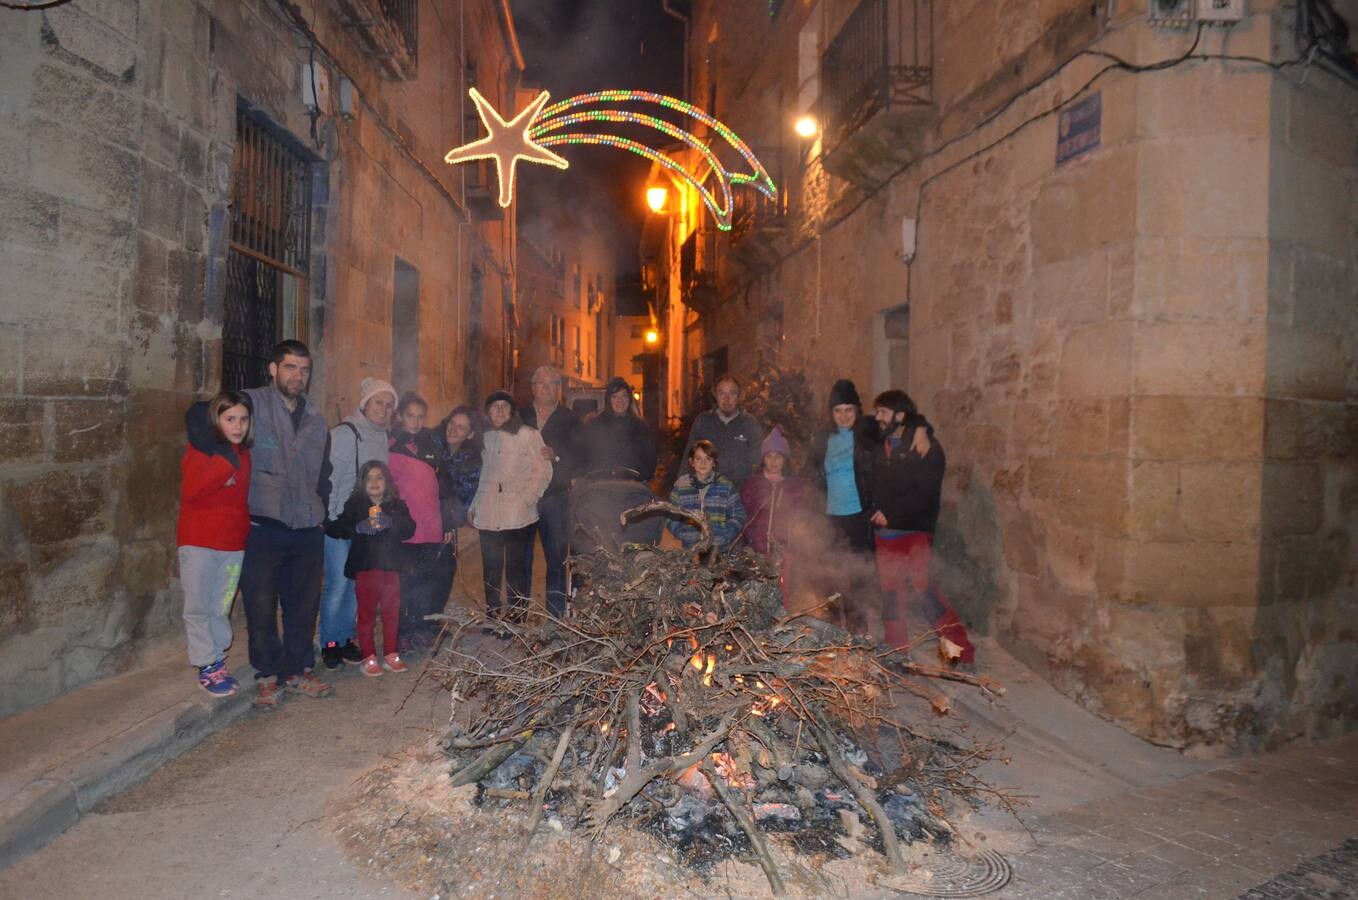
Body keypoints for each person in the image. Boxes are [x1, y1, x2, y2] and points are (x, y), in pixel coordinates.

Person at [240, 340, 333, 709]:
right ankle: (267, 675)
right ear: (273, 369)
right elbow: (207, 420)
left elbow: (324, 470)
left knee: (303, 605)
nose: (298, 376)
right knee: (260, 605)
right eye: (290, 367)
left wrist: (322, 508)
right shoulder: (250, 404)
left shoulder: (315, 416)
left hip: (307, 526)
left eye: (304, 369)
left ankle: (298, 670)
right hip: (263, 525)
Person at [808, 379, 928, 633]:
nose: (843, 416)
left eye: (849, 410)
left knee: (857, 574)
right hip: (829, 515)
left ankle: (857, 626)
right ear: (831, 413)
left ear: (857, 411)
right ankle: (834, 623)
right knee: (830, 571)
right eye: (838, 410)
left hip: (859, 514)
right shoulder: (823, 438)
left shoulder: (868, 431)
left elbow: (904, 419)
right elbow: (812, 472)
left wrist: (920, 428)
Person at [869, 390, 974, 662]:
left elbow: (925, 492)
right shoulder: (882, 444)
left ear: (900, 415)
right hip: (885, 535)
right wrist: (876, 511)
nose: (877, 417)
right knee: (891, 596)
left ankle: (961, 652)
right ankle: (896, 651)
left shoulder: (926, 445)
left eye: (883, 411)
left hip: (914, 532)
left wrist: (890, 514)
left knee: (926, 592)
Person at [176, 391, 252, 697]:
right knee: (198, 605)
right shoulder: (201, 451)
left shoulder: (243, 454)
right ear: (216, 421)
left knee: (220, 604)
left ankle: (218, 657)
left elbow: (240, 498)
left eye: (243, 419)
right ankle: (206, 664)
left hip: (232, 543)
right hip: (199, 541)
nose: (238, 426)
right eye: (230, 419)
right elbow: (192, 490)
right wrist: (225, 464)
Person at [319, 377, 396, 670]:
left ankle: (345, 638)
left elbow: (381, 484)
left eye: (389, 405)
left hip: (365, 526)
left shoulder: (381, 436)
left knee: (356, 584)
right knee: (338, 584)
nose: (384, 409)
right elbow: (331, 477)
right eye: (379, 402)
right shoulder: (345, 433)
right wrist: (331, 518)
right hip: (340, 521)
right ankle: (328, 641)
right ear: (365, 403)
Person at [469, 390, 552, 631]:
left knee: (516, 568)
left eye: (505, 406)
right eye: (495, 407)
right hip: (488, 510)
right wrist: (474, 505)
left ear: (512, 411)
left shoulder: (527, 434)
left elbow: (543, 470)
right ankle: (493, 615)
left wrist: (527, 498)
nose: (500, 411)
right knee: (491, 567)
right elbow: (478, 475)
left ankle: (516, 619)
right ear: (487, 412)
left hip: (517, 512)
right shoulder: (483, 437)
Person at [331, 461, 416, 675]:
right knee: (366, 614)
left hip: (391, 568)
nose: (374, 482)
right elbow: (342, 526)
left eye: (379, 477)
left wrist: (390, 522)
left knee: (391, 612)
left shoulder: (397, 506)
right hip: (367, 569)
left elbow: (409, 529)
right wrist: (360, 526)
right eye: (369, 478)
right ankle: (368, 656)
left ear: (387, 482)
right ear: (362, 483)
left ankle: (390, 653)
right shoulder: (355, 505)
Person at [520, 366, 583, 619]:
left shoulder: (571, 419)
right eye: (542, 384)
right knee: (520, 558)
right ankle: (518, 615)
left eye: (553, 384)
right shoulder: (520, 416)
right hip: (523, 496)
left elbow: (581, 456)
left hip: (556, 496)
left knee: (556, 557)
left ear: (559, 388)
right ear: (533, 387)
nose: (548, 388)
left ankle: (554, 619)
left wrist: (556, 455)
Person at [387, 392, 448, 647]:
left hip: (430, 528)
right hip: (405, 530)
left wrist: (447, 523)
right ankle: (402, 631)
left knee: (424, 582)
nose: (415, 421)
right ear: (399, 416)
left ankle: (419, 626)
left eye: (420, 417)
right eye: (410, 416)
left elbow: (442, 487)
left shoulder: (429, 449)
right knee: (404, 583)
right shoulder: (388, 447)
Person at [430, 406, 485, 618]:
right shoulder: (431, 445)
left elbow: (464, 498)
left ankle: (433, 618)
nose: (453, 430)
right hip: (420, 521)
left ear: (470, 434)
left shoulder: (472, 462)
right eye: (452, 424)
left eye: (461, 428)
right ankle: (412, 624)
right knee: (418, 574)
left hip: (447, 525)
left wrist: (448, 522)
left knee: (444, 572)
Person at [681, 375, 764, 489]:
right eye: (721, 393)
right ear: (715, 396)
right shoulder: (703, 421)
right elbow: (689, 456)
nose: (727, 398)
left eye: (732, 393)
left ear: (739, 396)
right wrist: (681, 486)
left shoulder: (750, 423)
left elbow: (758, 462)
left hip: (740, 492)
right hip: (706, 491)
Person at [739, 426, 808, 557]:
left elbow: (800, 516)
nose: (773, 461)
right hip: (756, 550)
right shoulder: (753, 485)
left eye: (778, 457)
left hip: (786, 550)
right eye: (768, 456)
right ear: (763, 459)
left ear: (785, 459)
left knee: (785, 577)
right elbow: (743, 515)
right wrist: (750, 538)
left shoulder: (794, 485)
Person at [668, 440, 746, 554]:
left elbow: (739, 515)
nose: (703, 463)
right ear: (691, 461)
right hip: (691, 550)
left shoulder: (726, 487)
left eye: (708, 459)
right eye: (698, 459)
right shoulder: (681, 487)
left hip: (718, 550)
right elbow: (670, 515)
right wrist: (682, 533)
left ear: (714, 462)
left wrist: (725, 535)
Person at [580, 376, 657, 481]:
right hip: (601, 486)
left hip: (633, 486)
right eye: (615, 396)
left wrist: (640, 478)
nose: (620, 400)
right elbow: (585, 457)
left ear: (629, 399)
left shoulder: (640, 426)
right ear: (608, 400)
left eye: (624, 396)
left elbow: (650, 460)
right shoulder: (595, 425)